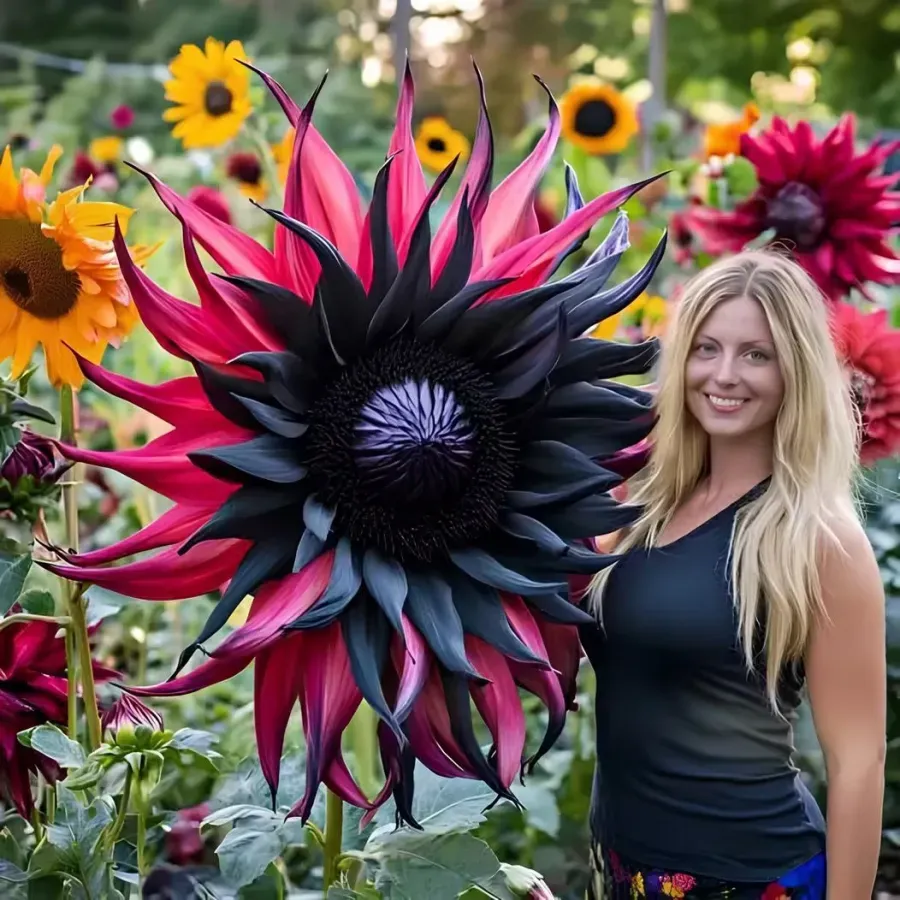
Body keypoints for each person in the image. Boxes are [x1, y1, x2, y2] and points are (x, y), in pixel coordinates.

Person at [582, 250, 886, 899]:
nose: (724, 374)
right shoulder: (643, 506)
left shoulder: (820, 538)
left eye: (757, 354)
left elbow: (859, 762)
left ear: (795, 370)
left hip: (749, 877)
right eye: (707, 348)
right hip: (622, 867)